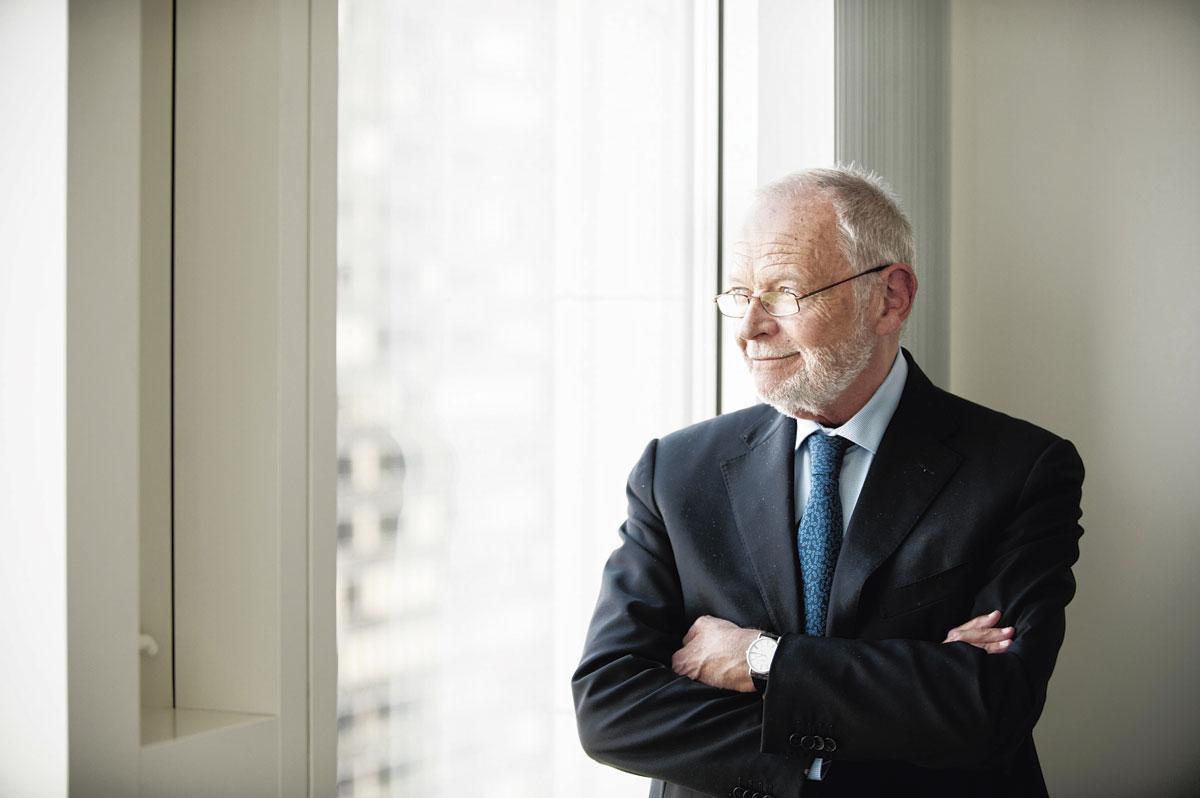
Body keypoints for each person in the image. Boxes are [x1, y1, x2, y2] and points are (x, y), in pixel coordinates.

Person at [571, 166, 1084, 797]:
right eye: (739, 293)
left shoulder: (1020, 468)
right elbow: (611, 709)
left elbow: (987, 705)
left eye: (783, 293)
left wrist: (758, 659)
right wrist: (868, 719)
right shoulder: (675, 471)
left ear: (889, 299)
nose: (748, 327)